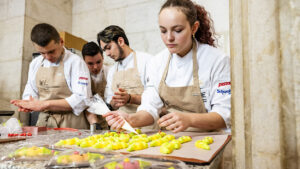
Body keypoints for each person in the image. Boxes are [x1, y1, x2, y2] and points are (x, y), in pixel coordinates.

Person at [103, 0, 231, 133]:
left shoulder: (217, 60)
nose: (169, 38)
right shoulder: (158, 62)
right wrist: (130, 119)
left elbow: (224, 115)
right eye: (163, 31)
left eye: (177, 30)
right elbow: (150, 106)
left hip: (211, 140)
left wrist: (189, 120)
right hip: (172, 140)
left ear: (194, 28)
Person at [10, 23, 91, 129]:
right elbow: (31, 90)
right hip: (44, 122)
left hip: (71, 123)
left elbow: (82, 99)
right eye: (42, 53)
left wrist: (44, 104)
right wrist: (29, 103)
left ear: (61, 42)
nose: (47, 57)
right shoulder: (35, 64)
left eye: (51, 51)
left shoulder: (76, 62)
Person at [97, 25, 153, 117]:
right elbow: (110, 101)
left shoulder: (146, 61)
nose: (107, 54)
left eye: (109, 47)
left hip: (145, 126)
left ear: (120, 41)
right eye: (104, 50)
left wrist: (130, 98)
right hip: (120, 126)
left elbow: (156, 100)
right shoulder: (112, 70)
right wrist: (113, 103)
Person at [82, 41, 109, 129]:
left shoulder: (110, 72)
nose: (95, 67)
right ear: (83, 61)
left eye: (98, 62)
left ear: (103, 58)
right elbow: (85, 101)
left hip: (106, 118)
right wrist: (94, 123)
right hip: (86, 120)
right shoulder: (80, 75)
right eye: (90, 64)